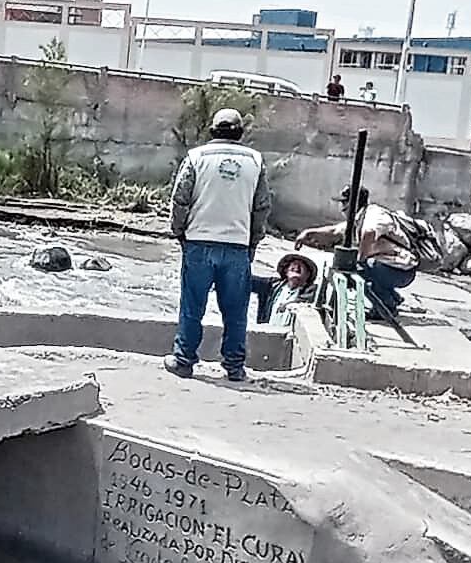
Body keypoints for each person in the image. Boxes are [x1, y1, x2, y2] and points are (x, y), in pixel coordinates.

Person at [167, 106, 271, 381]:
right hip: (237, 245)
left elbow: (180, 199)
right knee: (236, 311)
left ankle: (184, 360)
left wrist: (179, 232)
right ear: (240, 132)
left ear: (212, 130)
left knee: (192, 306)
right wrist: (253, 243)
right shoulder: (256, 161)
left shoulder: (196, 157)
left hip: (199, 241)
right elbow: (262, 207)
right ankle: (234, 368)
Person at [295, 186, 418, 321]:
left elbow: (370, 232)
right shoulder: (359, 218)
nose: (342, 208)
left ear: (353, 202)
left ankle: (386, 306)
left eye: (344, 202)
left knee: (358, 270)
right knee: (358, 267)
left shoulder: (374, 214)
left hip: (402, 270)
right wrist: (309, 233)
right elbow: (335, 231)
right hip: (390, 268)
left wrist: (360, 260)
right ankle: (391, 297)